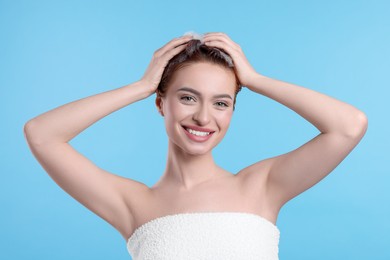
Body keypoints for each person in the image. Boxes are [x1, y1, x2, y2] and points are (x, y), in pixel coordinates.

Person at [23, 31, 368, 259]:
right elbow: (41, 133)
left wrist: (255, 80)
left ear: (233, 109)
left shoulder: (261, 187)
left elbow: (349, 126)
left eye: (221, 103)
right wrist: (141, 86)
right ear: (161, 103)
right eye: (188, 97)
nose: (204, 118)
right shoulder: (133, 204)